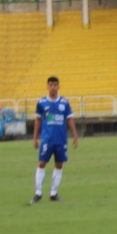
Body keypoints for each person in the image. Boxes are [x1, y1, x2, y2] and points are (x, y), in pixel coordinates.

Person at [31, 76, 78, 204]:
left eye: (55, 85)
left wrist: (75, 135)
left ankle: (53, 193)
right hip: (47, 140)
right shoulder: (41, 103)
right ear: (47, 86)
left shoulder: (64, 102)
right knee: (41, 163)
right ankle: (38, 193)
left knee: (59, 165)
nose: (53, 87)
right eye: (50, 85)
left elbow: (69, 119)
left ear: (58, 86)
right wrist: (35, 138)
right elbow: (38, 120)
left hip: (61, 140)